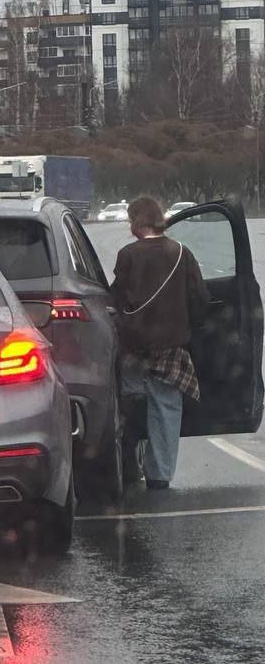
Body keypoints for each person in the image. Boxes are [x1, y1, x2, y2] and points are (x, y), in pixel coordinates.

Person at [111, 195, 210, 490]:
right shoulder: (182, 253)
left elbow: (115, 298)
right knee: (166, 411)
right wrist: (192, 327)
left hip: (132, 348)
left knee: (127, 406)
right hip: (170, 349)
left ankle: (129, 462)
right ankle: (159, 476)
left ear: (137, 223)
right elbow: (200, 299)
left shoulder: (128, 255)